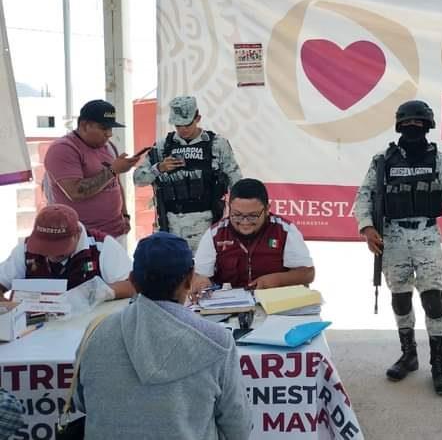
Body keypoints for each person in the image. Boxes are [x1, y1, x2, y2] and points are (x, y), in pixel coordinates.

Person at [74, 232, 252, 440]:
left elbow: (82, 401)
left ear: (132, 281)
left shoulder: (96, 331)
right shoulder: (217, 340)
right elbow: (237, 425)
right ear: (189, 279)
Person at [354, 100, 442, 396]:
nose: (413, 129)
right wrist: (367, 228)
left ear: (428, 127)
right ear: (399, 126)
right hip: (392, 237)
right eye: (408, 124)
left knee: (433, 301)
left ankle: (439, 364)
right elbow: (364, 195)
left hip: (427, 234)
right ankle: (409, 355)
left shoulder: (441, 161)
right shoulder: (382, 161)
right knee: (400, 300)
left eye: (419, 124)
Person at [133, 95, 243, 251]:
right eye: (178, 125)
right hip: (169, 225)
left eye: (187, 124)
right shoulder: (162, 146)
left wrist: (237, 216)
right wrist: (159, 168)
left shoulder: (217, 144)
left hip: (206, 224)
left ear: (197, 118)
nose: (182, 129)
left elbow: (236, 180)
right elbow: (138, 179)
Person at [43, 99, 141, 246]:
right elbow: (75, 192)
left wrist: (125, 215)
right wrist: (113, 170)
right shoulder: (63, 149)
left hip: (115, 233)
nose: (109, 134)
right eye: (104, 128)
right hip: (82, 237)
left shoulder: (109, 147)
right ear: (84, 125)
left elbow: (116, 183)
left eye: (111, 129)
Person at [193, 178, 314, 292]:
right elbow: (200, 275)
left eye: (253, 216)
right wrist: (201, 282)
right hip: (228, 306)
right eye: (237, 214)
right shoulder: (215, 234)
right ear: (229, 208)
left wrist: (276, 280)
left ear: (267, 210)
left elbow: (307, 273)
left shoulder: (285, 230)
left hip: (275, 304)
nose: (245, 222)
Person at [0, 204, 134, 299]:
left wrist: (101, 292)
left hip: (89, 329)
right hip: (36, 332)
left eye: (59, 247)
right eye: (44, 247)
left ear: (78, 234)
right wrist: (10, 312)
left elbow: (132, 285)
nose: (51, 254)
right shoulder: (24, 250)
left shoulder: (103, 247)